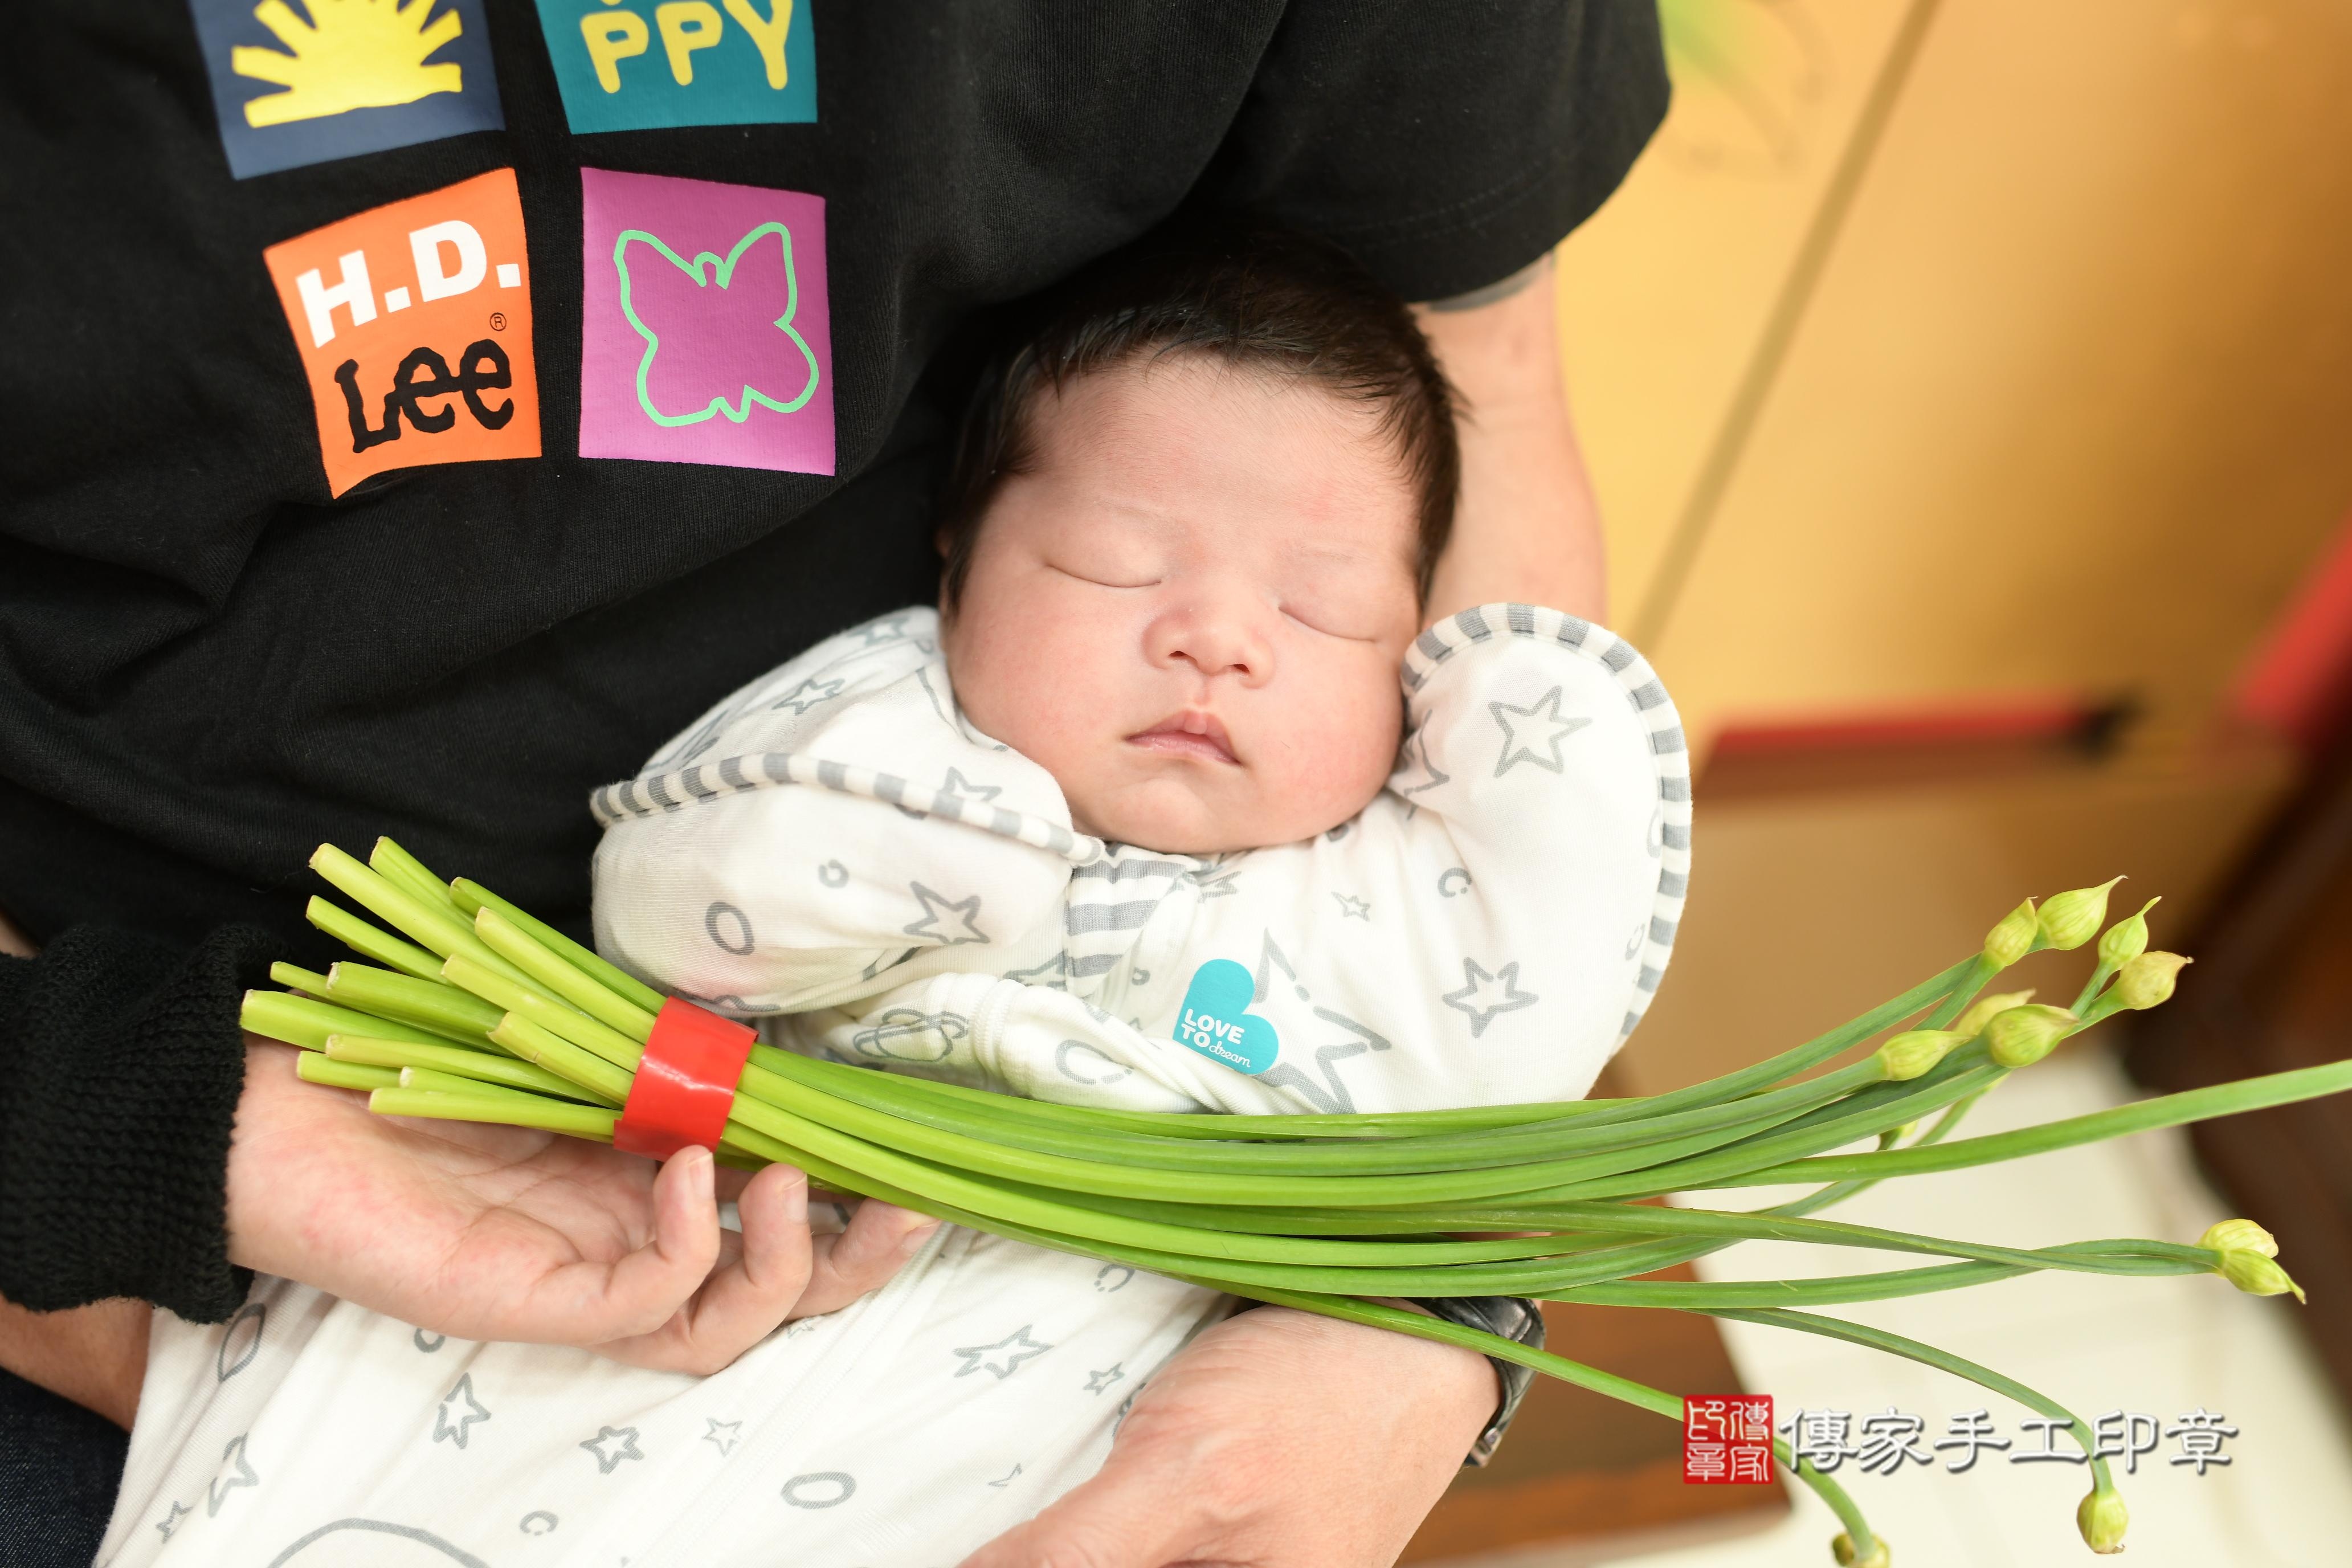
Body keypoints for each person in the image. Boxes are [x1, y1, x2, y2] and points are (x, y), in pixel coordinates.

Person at [0, 5, 1668, 1563]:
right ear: (969, 551)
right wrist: (114, 1133)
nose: (1224, 642)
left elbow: (1476, 376)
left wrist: (1419, 1314)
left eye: (1319, 608)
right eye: (1109, 561)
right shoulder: (857, 771)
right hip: (137, 1145)